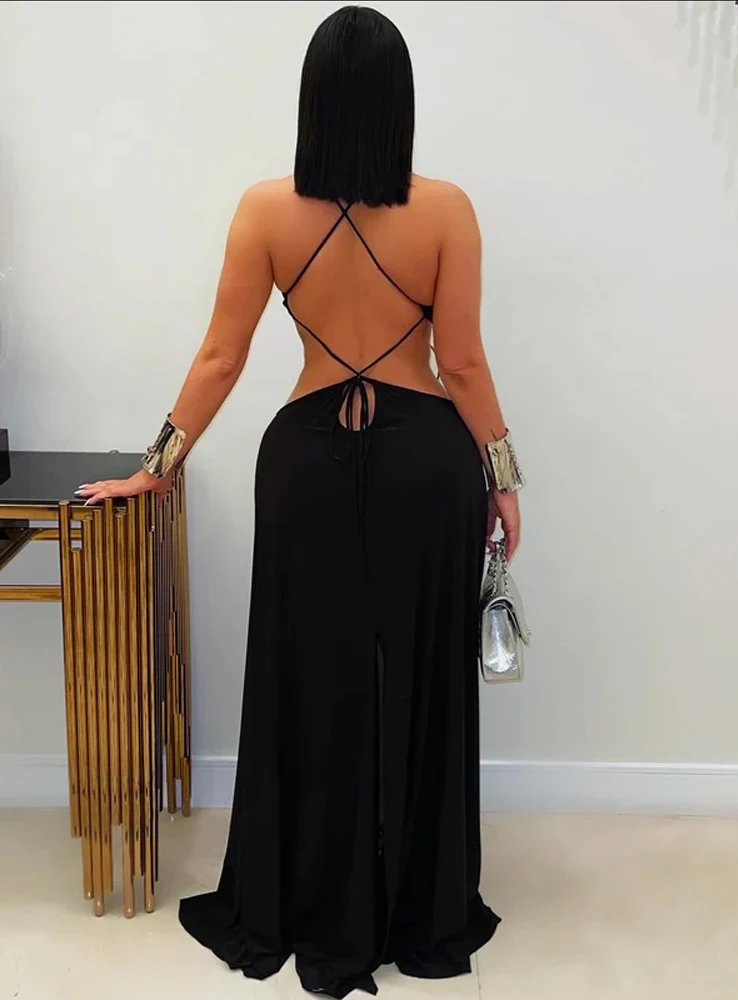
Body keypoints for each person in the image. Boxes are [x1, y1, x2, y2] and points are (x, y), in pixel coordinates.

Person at [76, 5, 523, 997]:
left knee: (308, 677)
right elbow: (463, 361)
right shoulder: (447, 210)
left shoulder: (264, 209)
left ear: (312, 101)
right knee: (420, 677)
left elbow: (220, 356)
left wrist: (158, 464)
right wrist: (503, 476)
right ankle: (418, 900)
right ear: (399, 103)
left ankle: (308, 890)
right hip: (427, 465)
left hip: (304, 464)